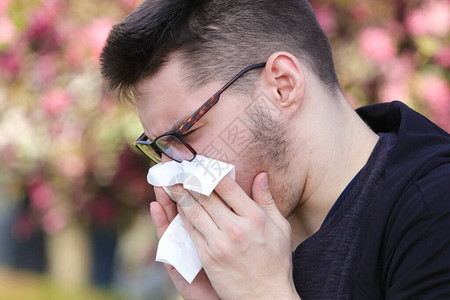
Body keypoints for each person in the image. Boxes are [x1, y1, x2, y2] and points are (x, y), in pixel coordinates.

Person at [100, 0, 450, 299]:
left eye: (185, 132)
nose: (173, 173)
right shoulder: (242, 250)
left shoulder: (434, 210)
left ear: (282, 86)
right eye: (160, 148)